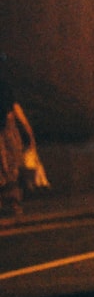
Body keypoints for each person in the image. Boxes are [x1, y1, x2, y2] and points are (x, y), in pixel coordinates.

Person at [1, 80, 36, 216]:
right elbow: (15, 107)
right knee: (11, 167)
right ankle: (14, 203)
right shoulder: (5, 85)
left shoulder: (4, 86)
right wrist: (28, 129)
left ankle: (10, 202)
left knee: (7, 167)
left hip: (6, 131)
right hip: (8, 130)